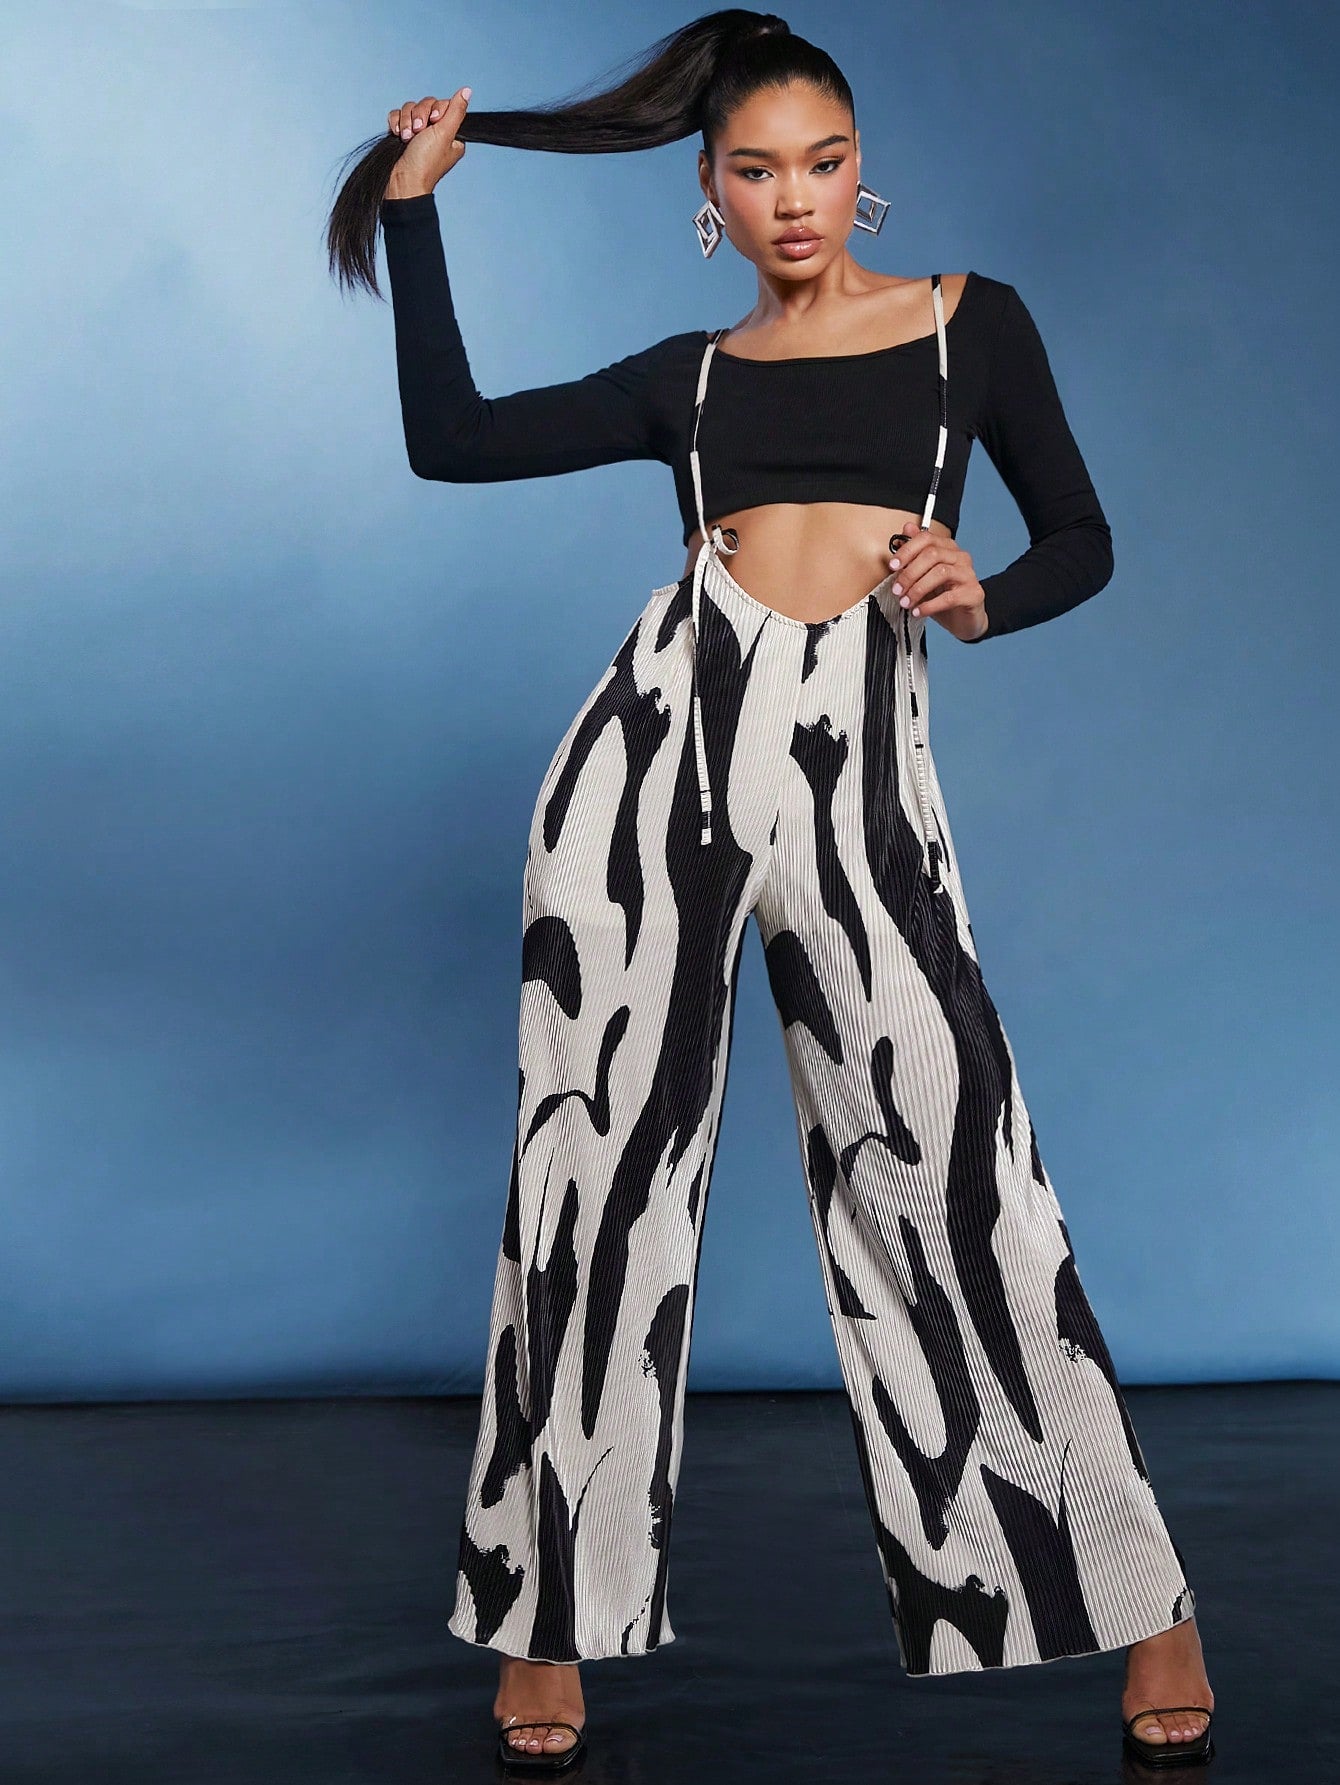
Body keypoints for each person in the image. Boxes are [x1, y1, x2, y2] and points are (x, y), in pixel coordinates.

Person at [326, 10, 1215, 1771]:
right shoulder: (693, 378)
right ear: (709, 193)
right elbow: (454, 438)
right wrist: (415, 209)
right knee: (592, 1190)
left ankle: (1140, 1602)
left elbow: (1085, 535)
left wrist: (990, 594)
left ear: (862, 171)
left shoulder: (971, 326)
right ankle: (546, 1618)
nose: (795, 198)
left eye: (825, 161)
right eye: (756, 169)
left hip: (862, 778)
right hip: (654, 766)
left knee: (963, 1175)